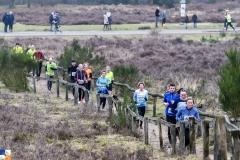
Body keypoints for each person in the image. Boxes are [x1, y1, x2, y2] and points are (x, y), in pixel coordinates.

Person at [163, 83, 178, 148]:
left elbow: (180, 102)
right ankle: (171, 142)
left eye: (173, 88)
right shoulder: (166, 94)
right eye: (171, 88)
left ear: (175, 88)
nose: (172, 89)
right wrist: (165, 104)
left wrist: (175, 103)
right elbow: (164, 101)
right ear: (169, 88)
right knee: (170, 128)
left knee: (176, 127)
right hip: (168, 114)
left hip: (176, 114)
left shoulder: (177, 94)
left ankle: (176, 138)